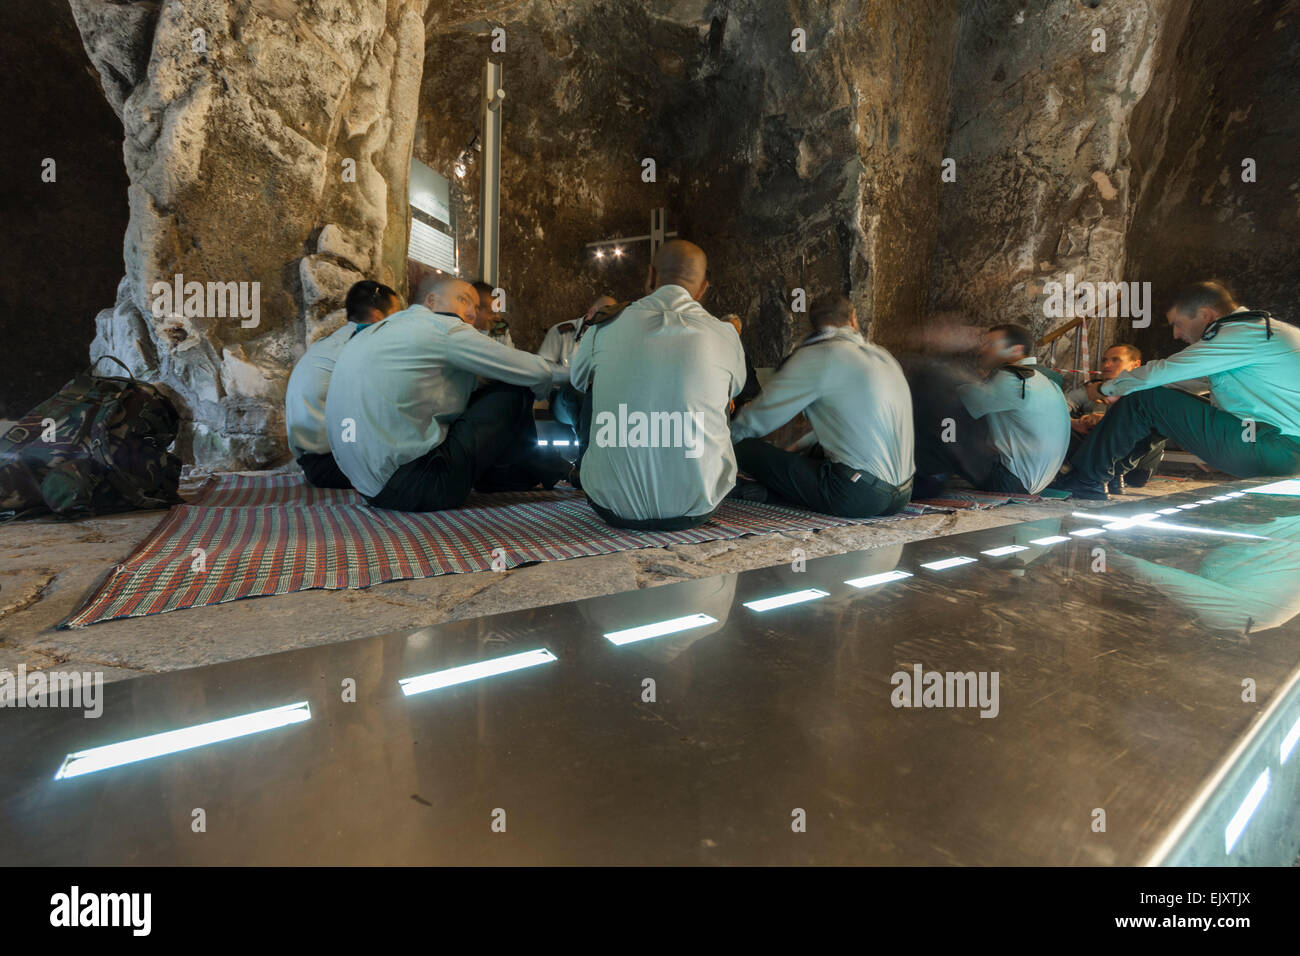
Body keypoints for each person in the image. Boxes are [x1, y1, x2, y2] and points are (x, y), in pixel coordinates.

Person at [324, 275, 567, 511]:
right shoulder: (443, 327)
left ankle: (536, 469)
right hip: (422, 485)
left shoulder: (374, 332)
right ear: (431, 301)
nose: (472, 313)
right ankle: (517, 474)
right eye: (463, 300)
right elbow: (536, 372)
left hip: (366, 488)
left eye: (476, 306)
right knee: (514, 386)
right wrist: (564, 384)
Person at [1054, 281, 1300, 500]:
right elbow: (1188, 381)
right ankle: (1113, 474)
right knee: (1150, 397)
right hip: (1274, 444)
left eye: (1178, 324)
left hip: (1273, 445)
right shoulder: (1262, 331)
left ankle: (1086, 479)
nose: (1175, 334)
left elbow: (1166, 371)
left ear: (1205, 314)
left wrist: (1106, 388)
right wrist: (1124, 390)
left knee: (1146, 399)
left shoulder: (1241, 334)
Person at [569, 239, 746, 530]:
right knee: (722, 395)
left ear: (650, 276)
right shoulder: (726, 335)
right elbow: (735, 388)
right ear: (703, 290)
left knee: (592, 384)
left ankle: (587, 472)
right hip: (699, 507)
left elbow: (576, 380)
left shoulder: (602, 328)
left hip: (610, 507)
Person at [728, 295, 914, 517]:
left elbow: (759, 418)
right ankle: (770, 492)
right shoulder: (884, 357)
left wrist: (721, 441)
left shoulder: (818, 355)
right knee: (805, 456)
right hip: (903, 494)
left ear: (811, 324)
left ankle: (767, 494)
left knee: (745, 448)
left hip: (858, 496)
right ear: (853, 319)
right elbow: (853, 424)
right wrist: (799, 445)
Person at [910, 323, 1070, 497]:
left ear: (1016, 350)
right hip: (1033, 482)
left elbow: (961, 399)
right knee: (956, 423)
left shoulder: (1012, 378)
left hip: (1010, 482)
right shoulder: (1044, 380)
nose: (983, 350)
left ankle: (923, 484)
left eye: (991, 345)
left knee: (937, 397)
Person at [285, 280, 401, 488]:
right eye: (396, 317)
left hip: (313, 463)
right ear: (376, 316)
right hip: (335, 465)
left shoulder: (330, 343)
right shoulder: (364, 345)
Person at [1065, 344, 1165, 494]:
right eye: (1104, 360)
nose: (1107, 365)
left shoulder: (1144, 393)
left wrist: (1107, 422)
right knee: (1062, 425)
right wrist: (1075, 423)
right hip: (1099, 460)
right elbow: (1059, 406)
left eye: (1115, 360)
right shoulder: (1092, 389)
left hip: (1135, 468)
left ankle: (1099, 476)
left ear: (1136, 364)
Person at [541, 294, 617, 431]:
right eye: (605, 317)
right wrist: (577, 375)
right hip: (564, 399)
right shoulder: (562, 332)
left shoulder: (613, 339)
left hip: (599, 398)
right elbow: (542, 369)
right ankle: (585, 445)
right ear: (591, 312)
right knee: (574, 391)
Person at [471, 280, 514, 348]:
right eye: (492, 313)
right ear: (476, 311)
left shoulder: (500, 329)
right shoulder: (461, 333)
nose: (498, 318)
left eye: (498, 312)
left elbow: (510, 356)